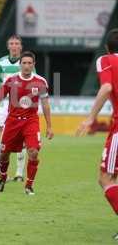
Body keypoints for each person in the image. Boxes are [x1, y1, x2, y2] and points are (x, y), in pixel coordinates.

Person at [0, 51, 53, 195]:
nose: (26, 66)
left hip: (31, 121)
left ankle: (29, 186)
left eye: (29, 63)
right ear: (20, 64)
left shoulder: (40, 82)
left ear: (34, 65)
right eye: (24, 63)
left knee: (33, 152)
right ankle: (3, 178)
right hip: (13, 121)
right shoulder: (11, 80)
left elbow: (45, 105)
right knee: (4, 154)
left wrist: (49, 126)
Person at [77, 29, 118, 240]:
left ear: (107, 47)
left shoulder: (106, 60)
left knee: (105, 178)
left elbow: (106, 87)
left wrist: (91, 117)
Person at [0, 35, 28, 182]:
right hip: (3, 102)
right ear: (8, 46)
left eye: (17, 43)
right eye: (12, 43)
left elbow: (33, 81)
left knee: (19, 139)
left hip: (19, 104)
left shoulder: (26, 62)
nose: (14, 46)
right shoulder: (2, 61)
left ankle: (18, 173)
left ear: (21, 46)